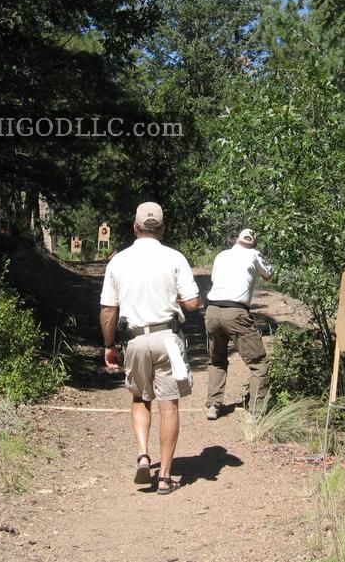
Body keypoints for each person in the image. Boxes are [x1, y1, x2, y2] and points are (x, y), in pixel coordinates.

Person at [99, 202, 201, 495]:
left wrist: (109, 345)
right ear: (163, 229)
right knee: (169, 404)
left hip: (135, 339)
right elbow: (192, 303)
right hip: (168, 337)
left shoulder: (118, 261)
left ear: (135, 227)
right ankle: (166, 476)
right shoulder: (175, 257)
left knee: (140, 398)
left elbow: (108, 310)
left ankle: (144, 455)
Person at [204, 228, 274, 420]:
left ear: (236, 240)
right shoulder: (254, 254)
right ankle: (255, 412)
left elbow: (215, 279)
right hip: (237, 313)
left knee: (217, 359)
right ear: (253, 243)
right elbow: (269, 275)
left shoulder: (222, 255)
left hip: (212, 312)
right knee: (258, 364)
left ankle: (213, 405)